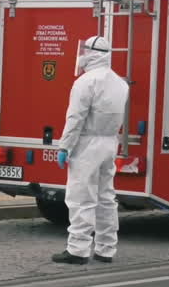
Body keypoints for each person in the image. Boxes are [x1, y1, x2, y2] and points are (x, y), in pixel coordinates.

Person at [52, 35, 129, 265]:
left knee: (80, 198)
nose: (82, 54)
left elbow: (75, 118)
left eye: (85, 50)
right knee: (106, 198)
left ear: (93, 53)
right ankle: (106, 249)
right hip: (109, 143)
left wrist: (65, 146)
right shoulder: (120, 83)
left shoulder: (85, 82)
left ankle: (78, 249)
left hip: (87, 144)